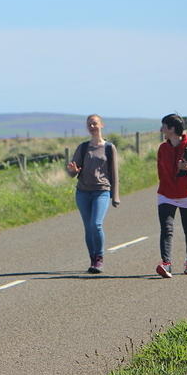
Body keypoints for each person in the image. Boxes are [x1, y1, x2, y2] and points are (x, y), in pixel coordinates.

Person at [155, 114, 187, 278]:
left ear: (171, 128)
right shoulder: (163, 148)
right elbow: (160, 170)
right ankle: (166, 264)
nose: (161, 129)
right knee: (166, 228)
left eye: (164, 126)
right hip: (166, 194)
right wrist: (165, 185)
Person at [66, 114, 120, 274]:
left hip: (102, 191)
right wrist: (73, 171)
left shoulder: (109, 148)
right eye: (89, 124)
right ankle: (93, 259)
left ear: (101, 125)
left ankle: (99, 257)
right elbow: (72, 172)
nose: (92, 126)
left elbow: (114, 173)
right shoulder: (83, 147)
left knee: (96, 224)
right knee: (88, 227)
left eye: (94, 123)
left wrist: (115, 196)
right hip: (83, 192)